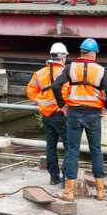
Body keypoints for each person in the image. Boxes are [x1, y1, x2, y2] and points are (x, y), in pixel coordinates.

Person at [51, 38, 107, 202]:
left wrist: (63, 106)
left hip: (74, 113)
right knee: (96, 151)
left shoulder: (70, 67)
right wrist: (105, 107)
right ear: (93, 53)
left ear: (81, 52)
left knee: (72, 151)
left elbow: (56, 86)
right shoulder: (101, 70)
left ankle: (69, 192)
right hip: (93, 115)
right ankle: (100, 192)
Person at [27, 42, 70, 185]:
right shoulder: (66, 73)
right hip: (61, 115)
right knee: (69, 146)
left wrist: (40, 101)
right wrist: (64, 106)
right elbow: (67, 92)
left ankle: (53, 177)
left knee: (50, 146)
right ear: (63, 57)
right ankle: (66, 179)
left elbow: (30, 91)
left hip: (46, 115)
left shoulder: (39, 73)